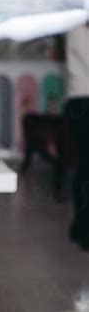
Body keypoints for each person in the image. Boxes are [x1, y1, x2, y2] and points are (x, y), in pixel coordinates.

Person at [64, 20, 89, 251]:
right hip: (83, 102)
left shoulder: (75, 28)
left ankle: (80, 227)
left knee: (83, 168)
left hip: (77, 102)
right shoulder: (78, 29)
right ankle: (82, 229)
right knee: (84, 169)